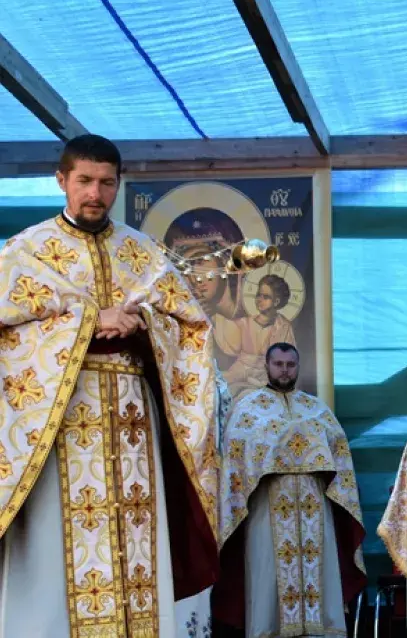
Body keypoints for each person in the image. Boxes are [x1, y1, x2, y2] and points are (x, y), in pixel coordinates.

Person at [0, 134, 223, 635]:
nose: (94, 193)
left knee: (137, 539)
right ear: (62, 180)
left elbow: (191, 327)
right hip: (57, 424)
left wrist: (145, 323)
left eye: (106, 183)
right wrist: (86, 320)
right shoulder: (25, 252)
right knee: (54, 545)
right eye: (84, 181)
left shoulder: (142, 252)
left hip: (132, 421)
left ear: (118, 184)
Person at [214, 342, 366, 637]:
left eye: (290, 365)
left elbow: (340, 456)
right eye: (278, 364)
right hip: (266, 501)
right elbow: (235, 459)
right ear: (267, 366)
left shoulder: (317, 409)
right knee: (267, 571)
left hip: (314, 500)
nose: (284, 370)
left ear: (298, 367)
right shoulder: (247, 409)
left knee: (319, 569)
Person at [214, 273, 297, 395]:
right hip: (240, 374)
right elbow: (230, 345)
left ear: (276, 301)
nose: (259, 299)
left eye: (266, 297)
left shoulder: (284, 326)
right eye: (258, 295)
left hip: (268, 377)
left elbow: (287, 356)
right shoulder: (244, 323)